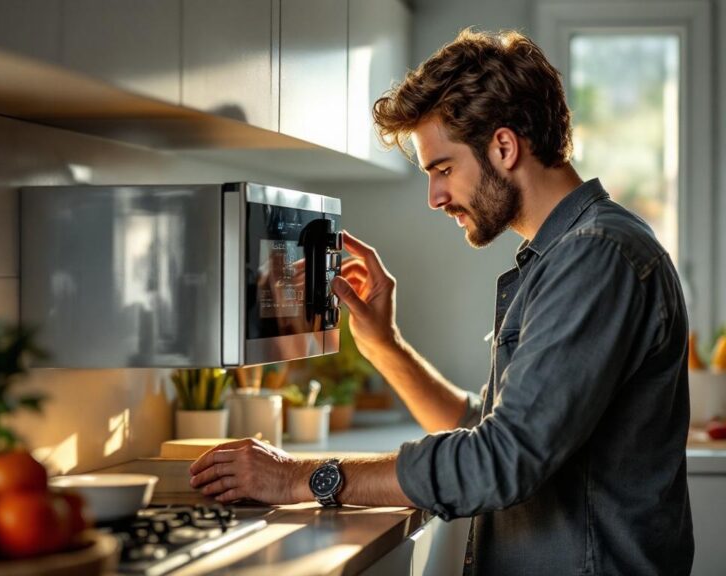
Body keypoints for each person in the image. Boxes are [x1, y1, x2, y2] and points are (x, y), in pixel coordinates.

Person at [188, 29, 694, 575]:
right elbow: (490, 428)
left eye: (443, 169)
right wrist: (386, 348)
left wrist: (295, 478)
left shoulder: (596, 259)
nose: (435, 198)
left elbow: (500, 461)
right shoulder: (565, 257)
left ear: (504, 147)